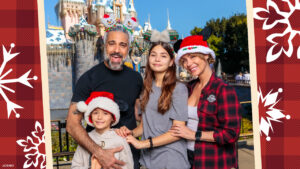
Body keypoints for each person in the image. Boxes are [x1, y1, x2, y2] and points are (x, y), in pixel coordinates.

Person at [66, 14, 143, 169]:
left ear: (128, 48)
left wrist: (132, 134)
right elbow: (72, 124)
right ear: (104, 45)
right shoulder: (89, 78)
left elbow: (143, 117)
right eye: (112, 44)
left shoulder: (136, 79)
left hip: (128, 159)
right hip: (95, 159)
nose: (117, 50)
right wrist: (100, 153)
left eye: (122, 45)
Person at [116, 30, 190, 169]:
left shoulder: (178, 89)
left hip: (171, 159)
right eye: (153, 55)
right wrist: (130, 133)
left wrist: (143, 144)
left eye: (163, 56)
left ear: (171, 62)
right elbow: (145, 126)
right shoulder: (146, 88)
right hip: (148, 159)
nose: (157, 59)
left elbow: (178, 131)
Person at [171, 35, 242, 169]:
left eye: (193, 57)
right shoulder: (189, 87)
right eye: (184, 60)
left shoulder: (223, 90)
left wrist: (193, 135)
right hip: (187, 157)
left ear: (206, 56)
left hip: (213, 160)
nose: (188, 64)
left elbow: (231, 134)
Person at [71, 91, 133, 169]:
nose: (99, 117)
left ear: (112, 118)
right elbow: (75, 166)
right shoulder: (85, 138)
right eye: (95, 113)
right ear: (90, 116)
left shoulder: (120, 139)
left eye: (105, 113)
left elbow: (128, 166)